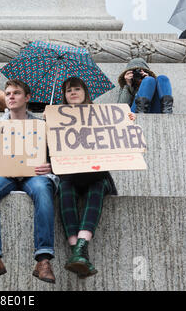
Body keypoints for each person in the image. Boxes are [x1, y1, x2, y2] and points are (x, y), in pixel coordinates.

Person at [0, 79, 59, 284]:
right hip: (4, 175)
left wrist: (52, 166)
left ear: (27, 98)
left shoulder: (42, 126)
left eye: (16, 93)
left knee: (43, 189)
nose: (10, 96)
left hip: (34, 175)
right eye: (8, 93)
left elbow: (60, 157)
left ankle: (44, 260)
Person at [58, 76, 135, 279]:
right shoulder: (56, 119)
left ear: (85, 92)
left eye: (76, 89)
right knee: (65, 188)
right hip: (71, 175)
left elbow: (118, 135)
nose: (73, 93)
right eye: (68, 91)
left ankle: (80, 248)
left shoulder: (100, 115)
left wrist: (128, 121)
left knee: (97, 185)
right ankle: (78, 251)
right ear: (64, 96)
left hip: (96, 175)